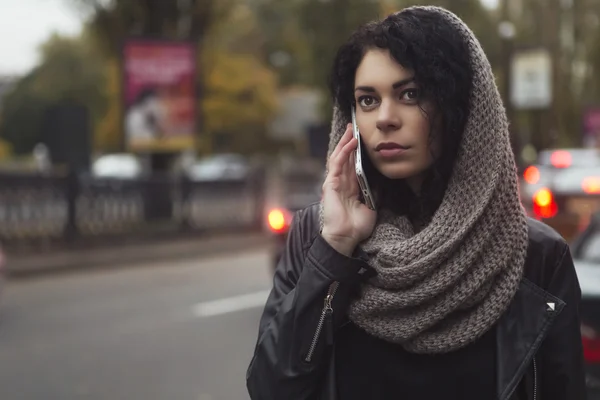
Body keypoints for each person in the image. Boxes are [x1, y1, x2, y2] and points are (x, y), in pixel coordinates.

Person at [247, 6, 586, 400]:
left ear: (460, 110)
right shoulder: (316, 238)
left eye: (411, 94)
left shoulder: (536, 257)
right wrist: (336, 249)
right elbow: (271, 389)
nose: (385, 118)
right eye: (368, 100)